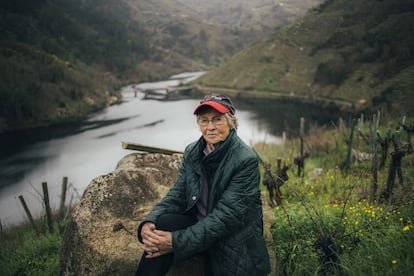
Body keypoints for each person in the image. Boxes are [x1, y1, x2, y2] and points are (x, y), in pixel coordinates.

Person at [135, 94, 271, 276]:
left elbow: (225, 217)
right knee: (161, 224)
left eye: (217, 120)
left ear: (232, 122)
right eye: (204, 121)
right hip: (199, 226)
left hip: (229, 238)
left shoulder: (245, 160)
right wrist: (149, 221)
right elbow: (177, 194)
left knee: (165, 241)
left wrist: (176, 242)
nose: (211, 127)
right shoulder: (193, 151)